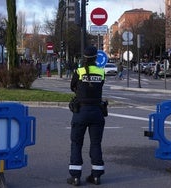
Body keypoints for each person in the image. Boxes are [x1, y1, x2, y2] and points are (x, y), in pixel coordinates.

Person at [67, 46, 106, 186]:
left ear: (84, 57)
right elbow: (99, 85)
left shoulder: (79, 71)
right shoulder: (101, 72)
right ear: (96, 57)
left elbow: (72, 87)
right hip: (97, 111)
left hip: (81, 111)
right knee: (96, 144)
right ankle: (96, 176)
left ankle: (75, 177)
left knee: (76, 144)